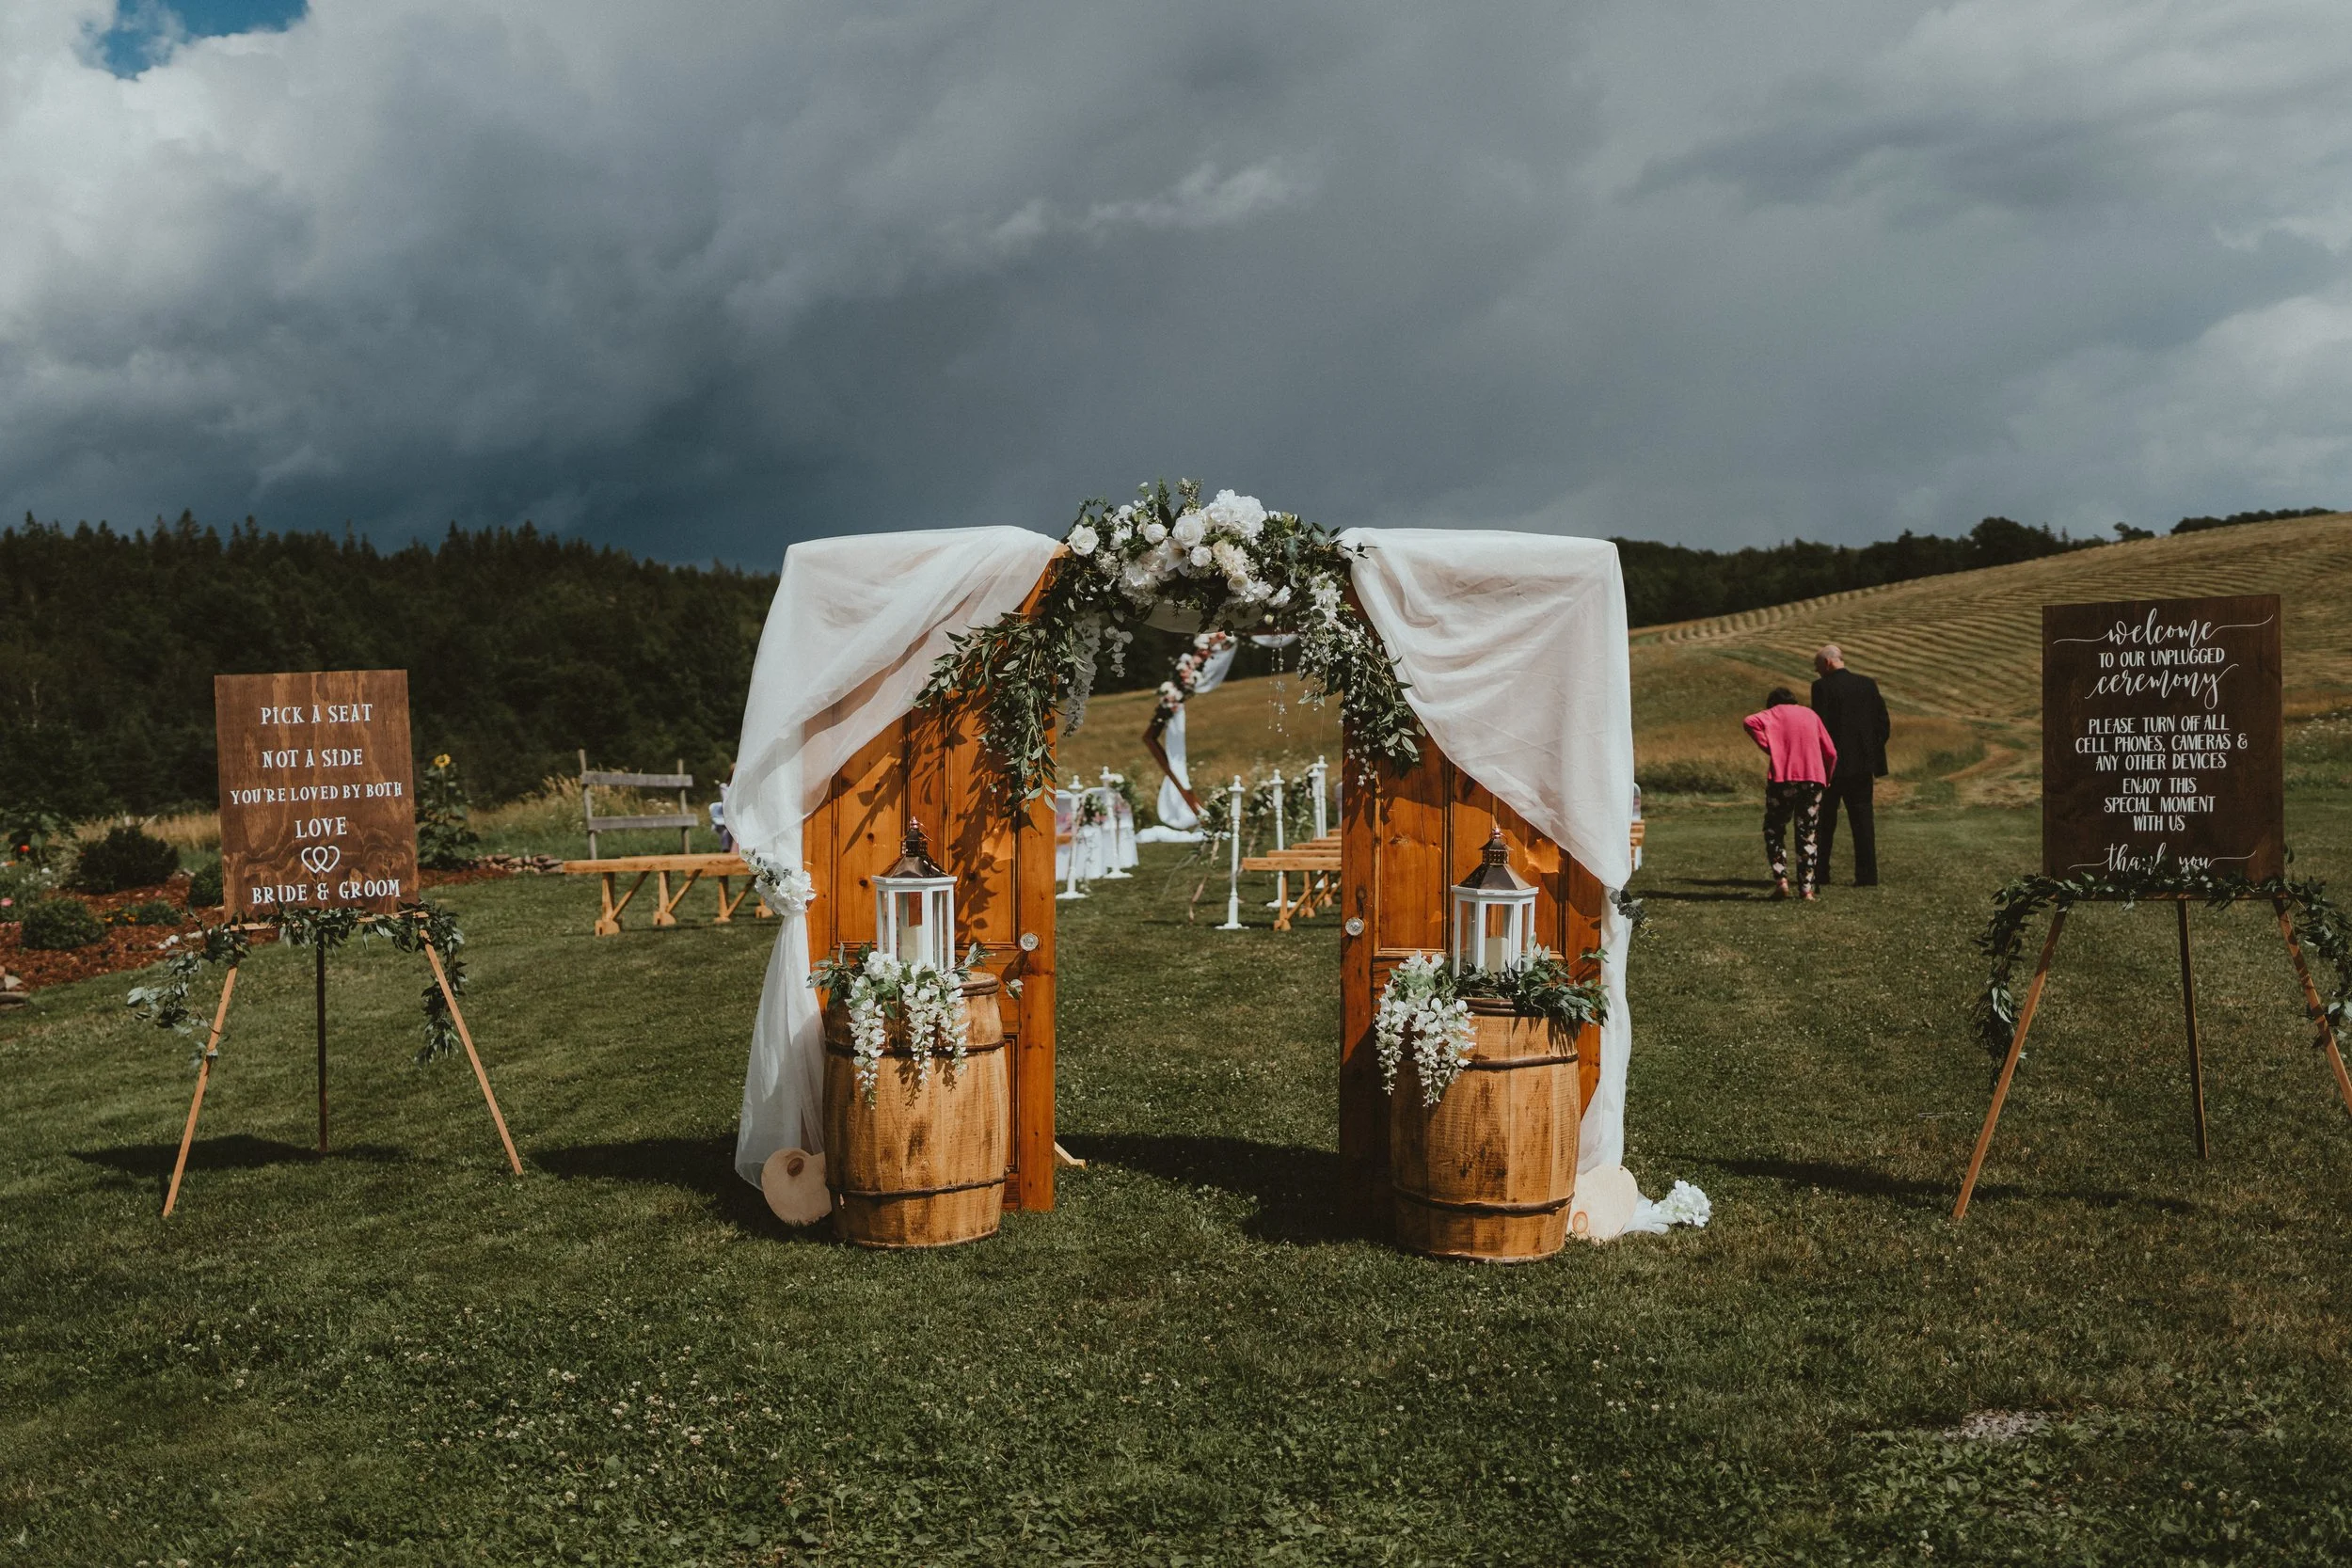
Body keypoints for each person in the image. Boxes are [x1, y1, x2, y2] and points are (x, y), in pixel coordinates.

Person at [1743, 688, 1838, 900]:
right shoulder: (1811, 715)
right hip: (1813, 779)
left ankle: (1782, 881)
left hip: (1783, 779)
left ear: (1773, 702)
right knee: (1808, 833)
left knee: (1774, 829)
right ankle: (1806, 889)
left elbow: (1749, 721)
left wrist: (1770, 746)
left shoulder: (1773, 713)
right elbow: (1831, 752)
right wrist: (1827, 776)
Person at [1809, 643, 1891, 887]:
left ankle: (1820, 873)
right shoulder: (1867, 684)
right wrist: (1871, 752)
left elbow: (1819, 728)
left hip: (1831, 767)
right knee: (1863, 822)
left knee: (1824, 823)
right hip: (1863, 766)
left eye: (1817, 667)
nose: (1817, 672)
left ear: (1827, 663)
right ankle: (1867, 876)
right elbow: (1882, 723)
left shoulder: (1821, 687)